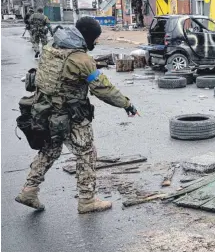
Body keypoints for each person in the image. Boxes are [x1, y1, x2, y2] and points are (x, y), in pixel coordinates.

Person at [15, 16, 139, 214]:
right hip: (71, 116)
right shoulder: (81, 60)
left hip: (45, 113)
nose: (96, 42)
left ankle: (29, 191)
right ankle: (87, 200)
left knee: (49, 151)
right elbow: (102, 89)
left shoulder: (50, 47)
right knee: (87, 153)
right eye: (95, 38)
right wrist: (126, 104)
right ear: (87, 37)